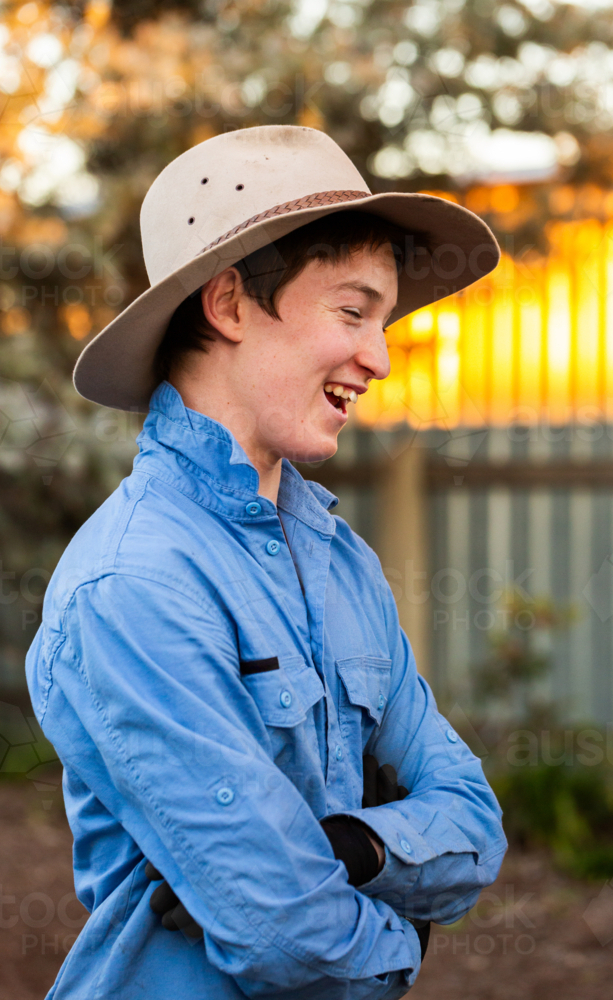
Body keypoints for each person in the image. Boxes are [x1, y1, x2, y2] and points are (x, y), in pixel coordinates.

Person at [26, 124, 508, 1000]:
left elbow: (474, 828)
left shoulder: (339, 560)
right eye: (352, 310)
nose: (380, 357)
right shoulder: (135, 584)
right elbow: (287, 938)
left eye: (384, 319)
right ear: (231, 304)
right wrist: (406, 937)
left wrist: (348, 848)